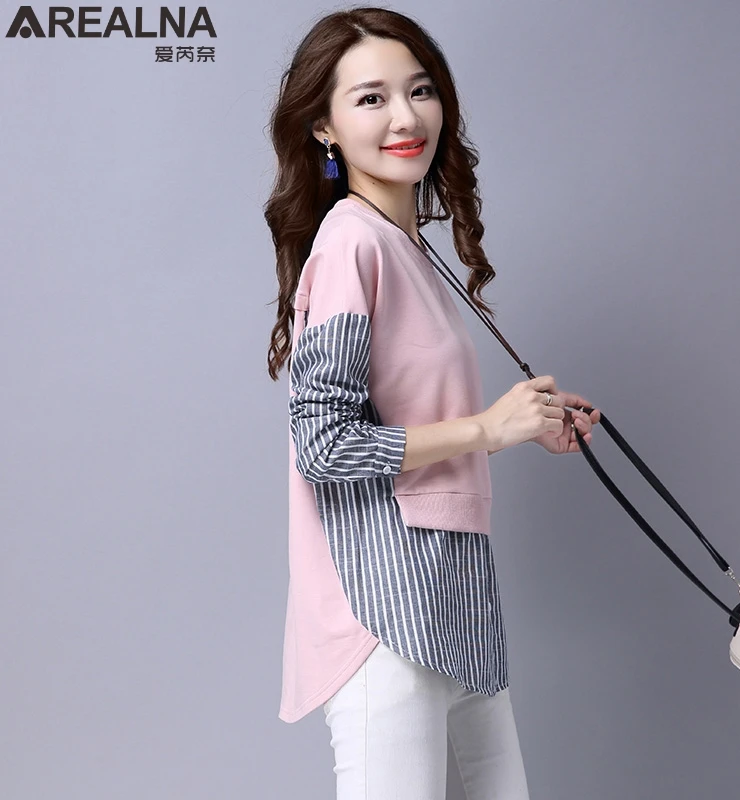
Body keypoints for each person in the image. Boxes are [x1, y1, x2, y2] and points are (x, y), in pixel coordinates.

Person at [263, 7, 601, 798]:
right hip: (384, 606)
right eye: (371, 98)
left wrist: (525, 424)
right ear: (324, 127)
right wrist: (487, 427)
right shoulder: (351, 241)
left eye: (420, 90)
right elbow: (324, 444)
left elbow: (416, 410)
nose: (406, 117)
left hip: (452, 595)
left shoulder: (406, 246)